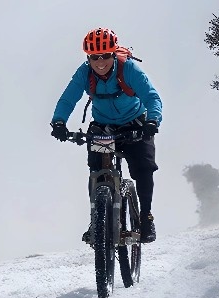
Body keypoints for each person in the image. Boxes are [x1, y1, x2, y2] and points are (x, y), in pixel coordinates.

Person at [50, 27, 162, 243]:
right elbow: (68, 99)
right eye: (94, 58)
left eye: (105, 57)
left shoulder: (129, 69)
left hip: (136, 125)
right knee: (98, 170)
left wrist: (152, 120)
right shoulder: (84, 73)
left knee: (143, 168)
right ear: (88, 58)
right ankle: (97, 219)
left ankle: (146, 217)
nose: (100, 63)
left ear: (113, 54)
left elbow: (152, 97)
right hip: (104, 128)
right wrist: (59, 121)